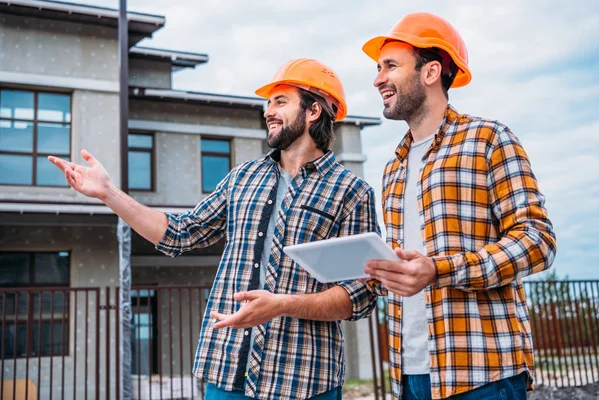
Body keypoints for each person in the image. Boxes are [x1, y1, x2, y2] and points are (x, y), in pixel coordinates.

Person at [48, 58, 379, 400]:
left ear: (313, 111)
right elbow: (179, 233)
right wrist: (108, 193)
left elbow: (360, 294)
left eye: (280, 101)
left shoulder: (352, 193)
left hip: (303, 378)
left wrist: (281, 304)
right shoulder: (242, 178)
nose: (268, 111)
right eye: (268, 103)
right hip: (226, 369)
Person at [360, 13, 557, 400]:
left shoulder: (489, 139)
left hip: (482, 372)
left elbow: (538, 240)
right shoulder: (393, 168)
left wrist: (440, 270)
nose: (378, 79)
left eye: (390, 66)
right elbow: (409, 268)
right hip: (410, 374)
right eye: (378, 68)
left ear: (431, 71)